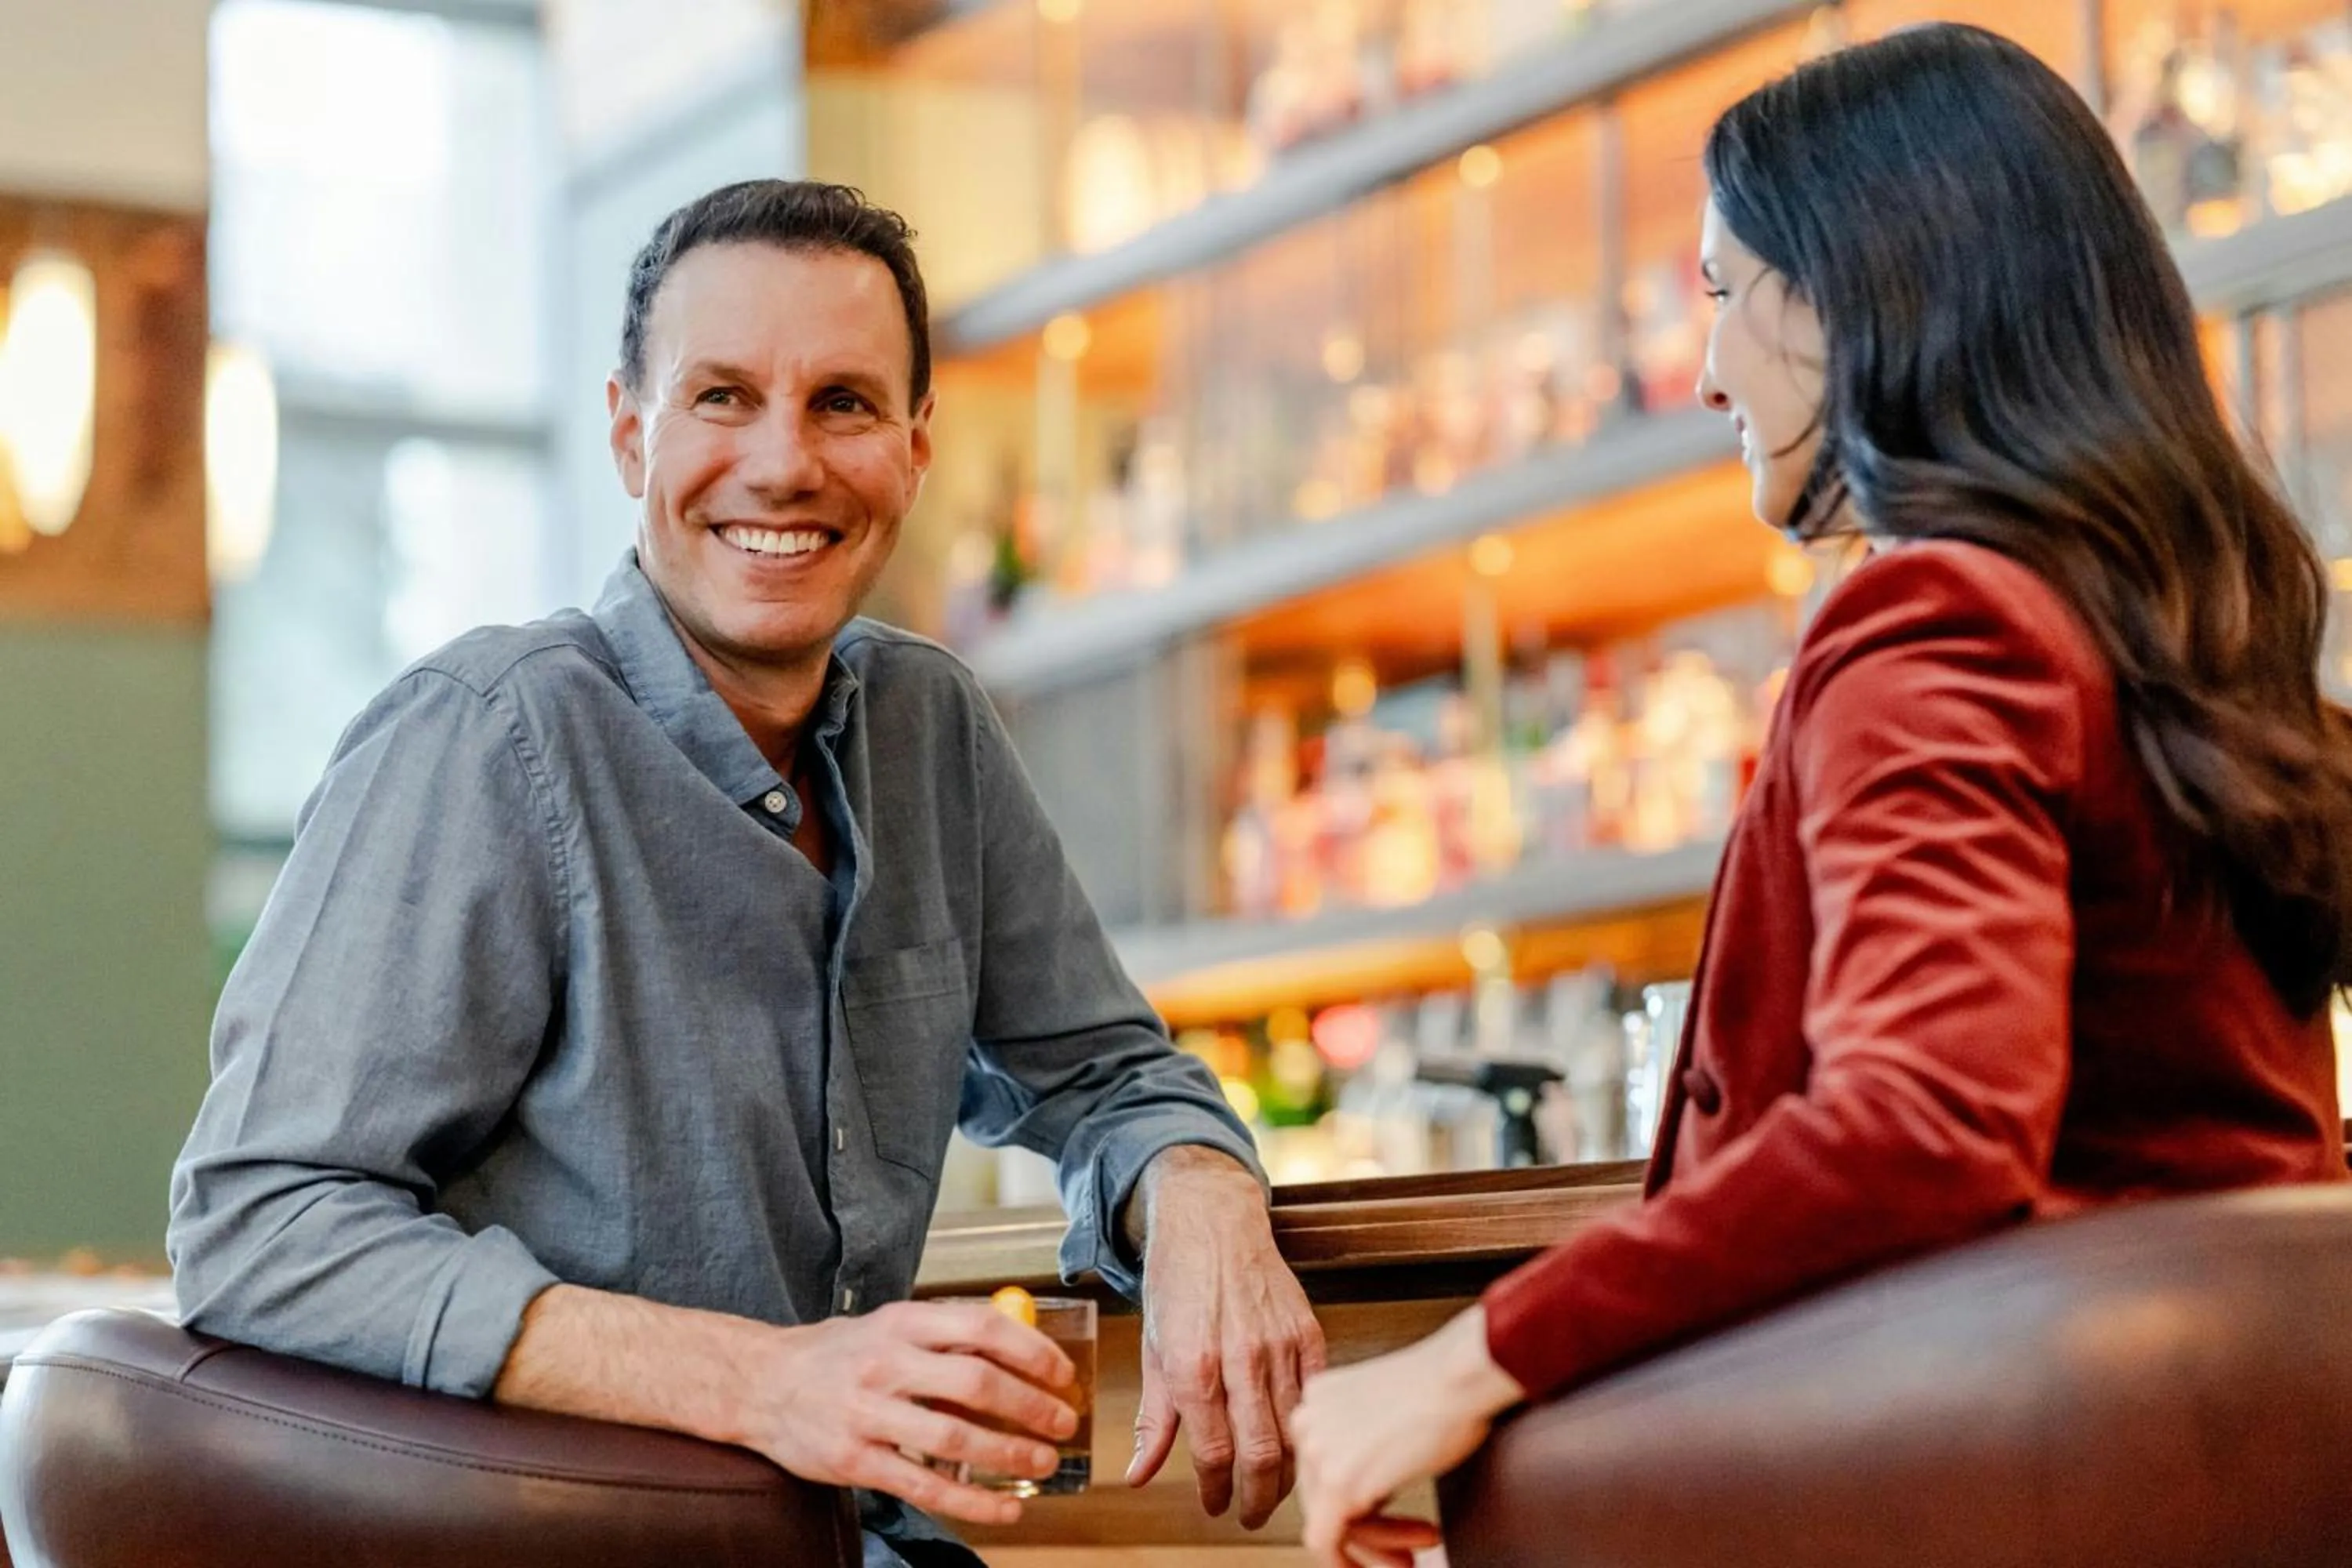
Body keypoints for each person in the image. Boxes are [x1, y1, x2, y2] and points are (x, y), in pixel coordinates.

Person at [1291, 24, 2352, 1566]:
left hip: (2018, 1476)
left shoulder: (1936, 615)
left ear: (1863, 291)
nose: (1708, 364)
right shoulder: (2182, 626)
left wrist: (1464, 1366)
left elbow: (1923, 1122)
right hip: (2223, 1459)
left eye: (1724, 293)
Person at [168, 180, 1325, 1568]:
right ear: (626, 432)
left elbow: (1109, 1074)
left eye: (842, 402)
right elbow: (258, 1225)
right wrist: (766, 1383)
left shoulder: (933, 730)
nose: (784, 465)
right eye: (722, 397)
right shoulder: (485, 738)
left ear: (914, 447)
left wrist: (1202, 1187)